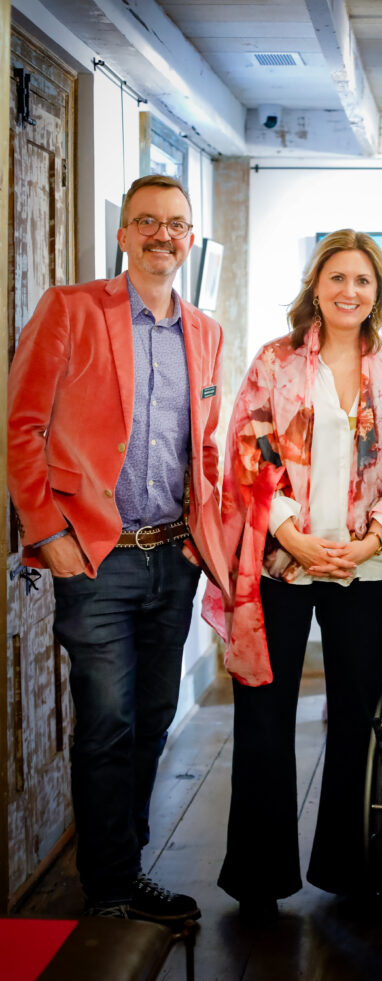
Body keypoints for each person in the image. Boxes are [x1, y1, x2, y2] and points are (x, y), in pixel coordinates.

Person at [7, 174, 230, 921]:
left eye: (175, 224)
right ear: (123, 234)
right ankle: (108, 889)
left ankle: (124, 861)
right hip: (96, 558)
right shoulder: (72, 310)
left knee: (154, 716)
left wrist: (203, 538)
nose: (162, 234)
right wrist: (47, 534)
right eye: (147, 222)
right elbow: (21, 427)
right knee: (107, 722)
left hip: (174, 557)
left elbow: (202, 447)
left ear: (189, 238)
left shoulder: (204, 331)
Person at [202, 229, 382, 921]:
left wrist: (372, 541)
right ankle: (258, 877)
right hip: (281, 565)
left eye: (361, 281)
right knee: (264, 718)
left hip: (365, 569)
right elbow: (247, 449)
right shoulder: (276, 361)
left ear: (377, 293)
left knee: (359, 718)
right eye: (336, 278)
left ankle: (350, 866)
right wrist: (293, 537)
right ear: (315, 286)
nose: (348, 291)